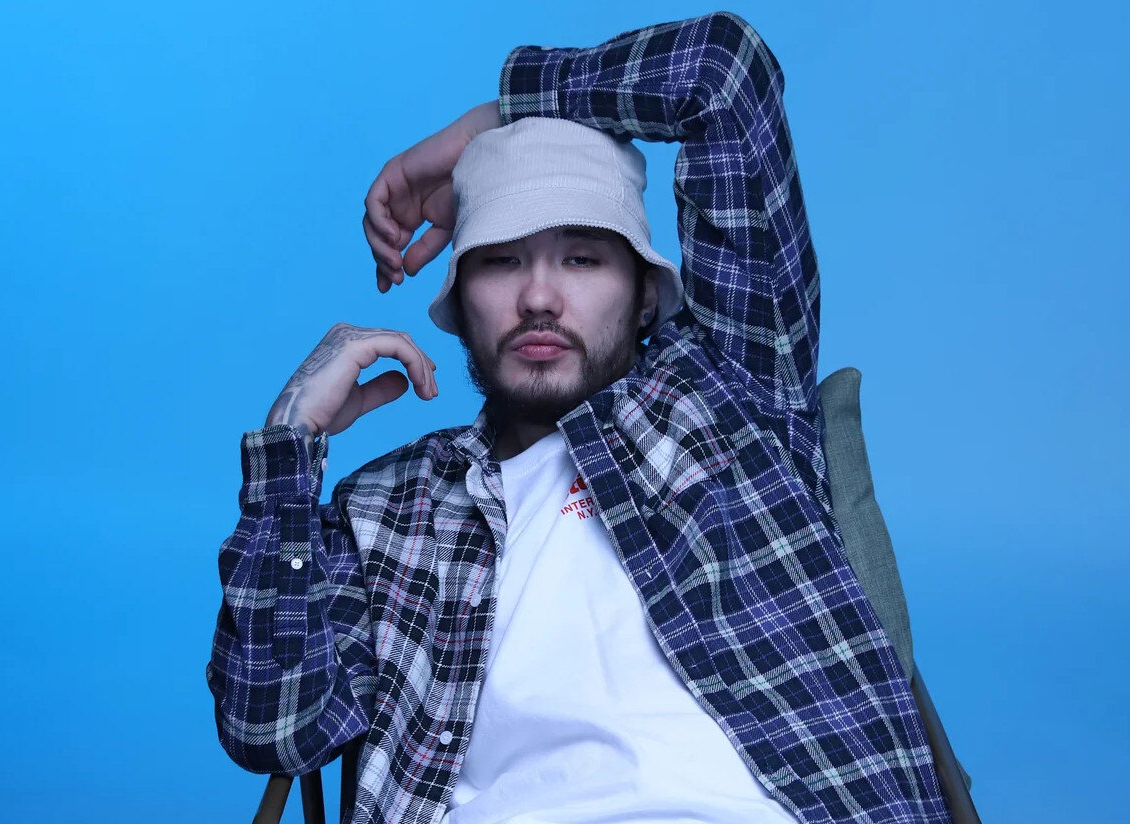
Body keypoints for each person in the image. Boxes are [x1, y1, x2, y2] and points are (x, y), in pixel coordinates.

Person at [208, 11, 953, 824]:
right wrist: (288, 450)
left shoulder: (728, 392)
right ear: (459, 301)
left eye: (581, 258)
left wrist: (499, 116)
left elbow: (721, 71)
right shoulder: (390, 507)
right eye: (500, 260)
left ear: (645, 295)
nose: (537, 296)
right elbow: (273, 730)